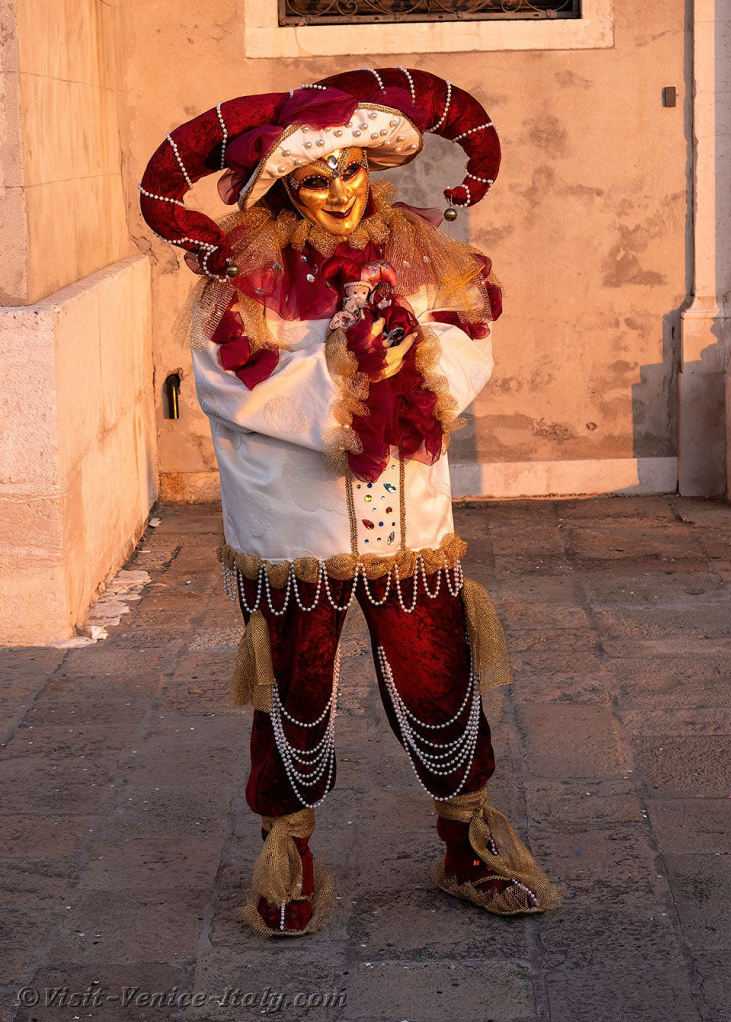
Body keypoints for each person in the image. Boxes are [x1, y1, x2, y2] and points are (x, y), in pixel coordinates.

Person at [140, 67, 559, 937]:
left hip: (409, 520)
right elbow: (232, 385)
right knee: (293, 687)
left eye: (352, 169)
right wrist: (347, 371)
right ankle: (287, 851)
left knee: (441, 679)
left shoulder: (419, 249)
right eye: (314, 177)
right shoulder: (243, 274)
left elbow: (466, 335)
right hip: (296, 529)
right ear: (284, 185)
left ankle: (468, 842)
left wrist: (416, 364)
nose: (339, 192)